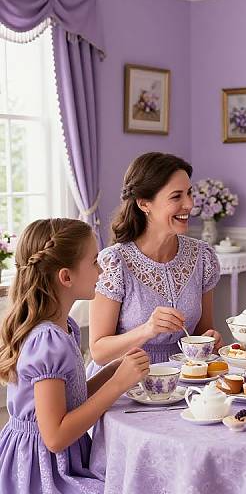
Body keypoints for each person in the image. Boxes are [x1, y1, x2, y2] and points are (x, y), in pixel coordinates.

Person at [0, 218, 149, 493]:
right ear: (66, 277)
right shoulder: (48, 341)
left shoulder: (63, 326)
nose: (102, 269)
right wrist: (117, 386)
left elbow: (71, 399)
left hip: (60, 457)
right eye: (94, 261)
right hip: (41, 469)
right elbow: (55, 437)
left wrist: (111, 372)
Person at [88, 152, 221, 373]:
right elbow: (99, 352)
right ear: (144, 204)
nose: (189, 204)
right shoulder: (114, 262)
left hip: (186, 377)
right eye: (176, 196)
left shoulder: (202, 257)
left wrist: (210, 340)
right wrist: (147, 330)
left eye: (189, 193)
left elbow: (203, 331)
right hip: (122, 380)